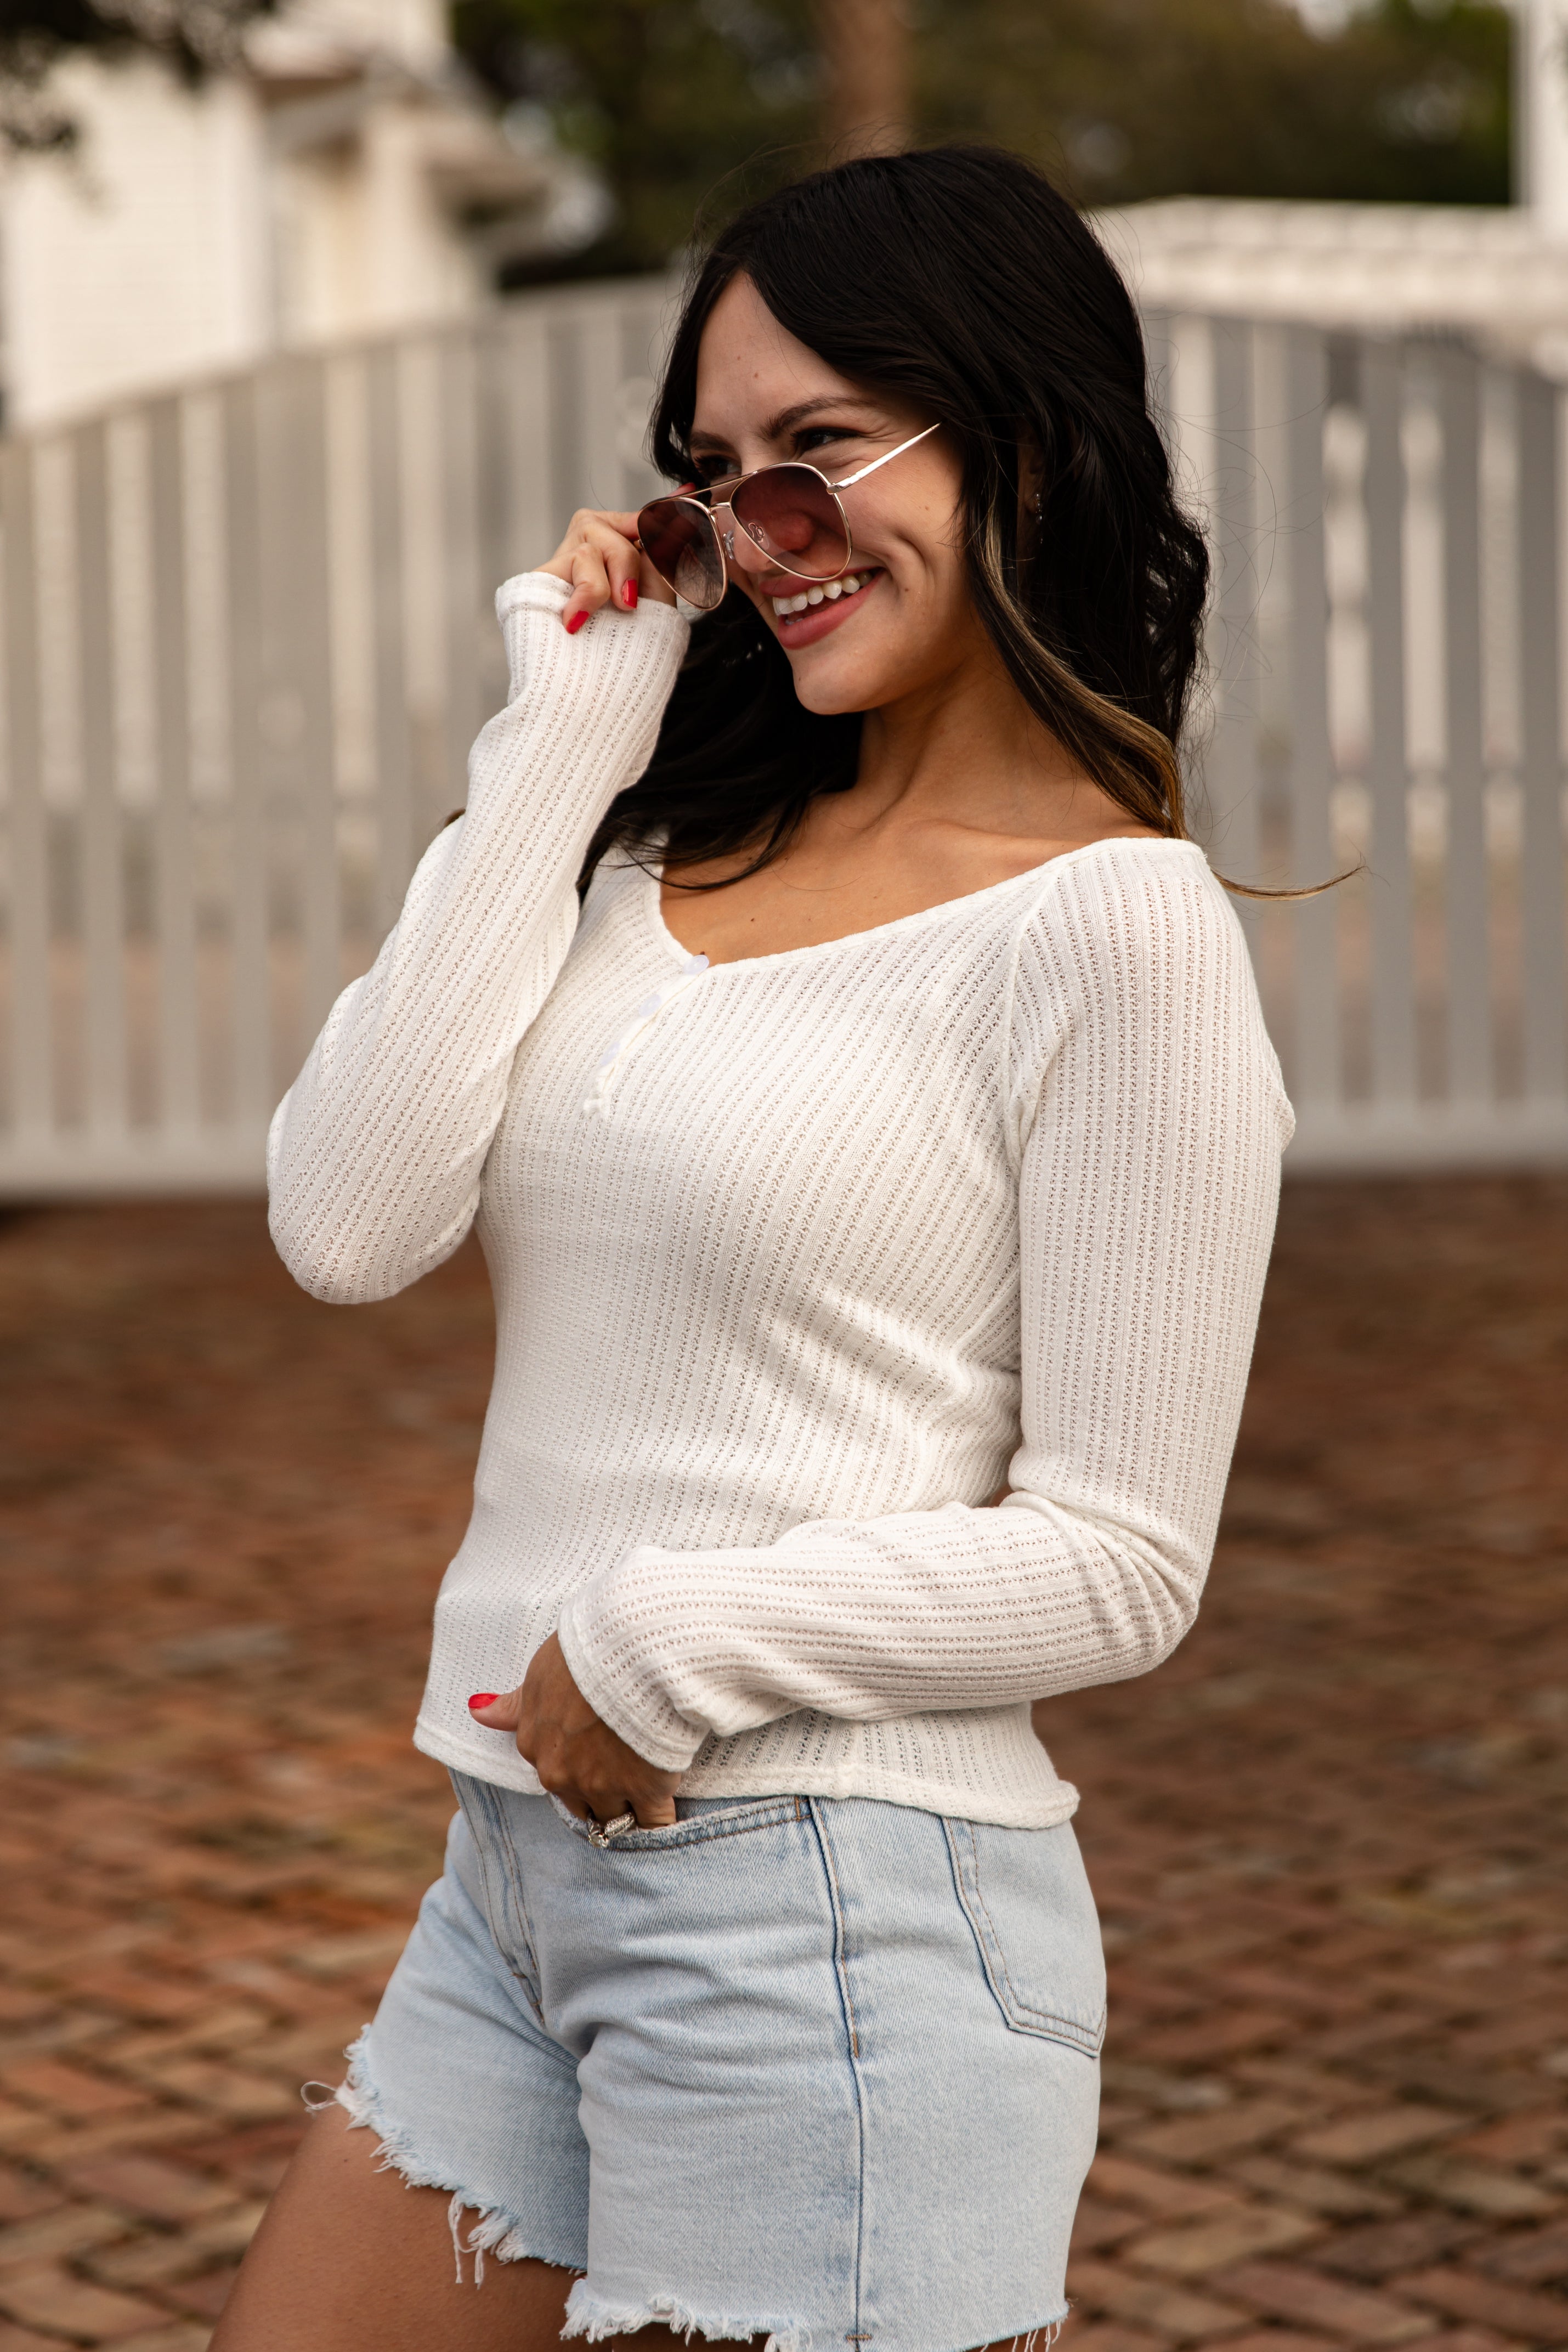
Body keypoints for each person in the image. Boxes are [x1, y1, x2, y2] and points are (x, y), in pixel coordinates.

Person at [216, 145, 1293, 2352]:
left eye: (820, 459)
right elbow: (345, 1219)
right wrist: (572, 720)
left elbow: (1122, 1553)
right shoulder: (656, 849)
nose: (763, 537)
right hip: (509, 1886)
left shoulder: (1118, 927)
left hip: (833, 1914)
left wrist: (663, 1645)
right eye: (716, 479)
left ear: (1022, 445)